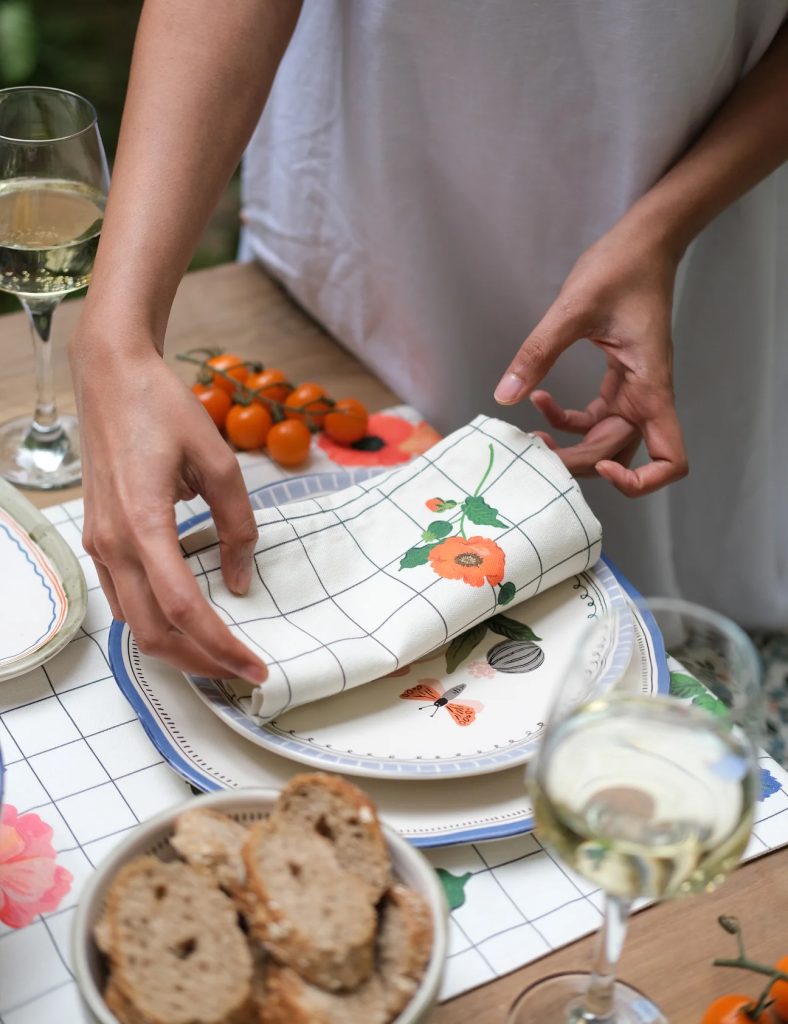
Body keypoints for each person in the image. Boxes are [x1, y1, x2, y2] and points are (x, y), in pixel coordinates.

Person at [69, 0, 788, 684]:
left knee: (658, 588)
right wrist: (114, 336)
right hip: (381, 179)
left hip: (696, 174)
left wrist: (661, 230)